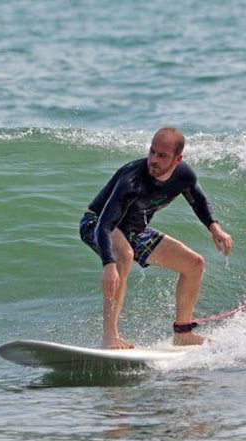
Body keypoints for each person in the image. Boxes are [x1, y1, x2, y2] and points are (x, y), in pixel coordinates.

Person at [79, 127, 234, 349]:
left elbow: (197, 201)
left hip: (135, 231)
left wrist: (214, 227)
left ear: (177, 159)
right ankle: (109, 337)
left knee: (194, 264)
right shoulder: (132, 181)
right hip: (96, 224)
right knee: (124, 255)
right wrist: (108, 264)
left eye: (162, 156)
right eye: (152, 152)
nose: (153, 159)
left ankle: (183, 333)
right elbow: (104, 225)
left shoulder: (183, 176)